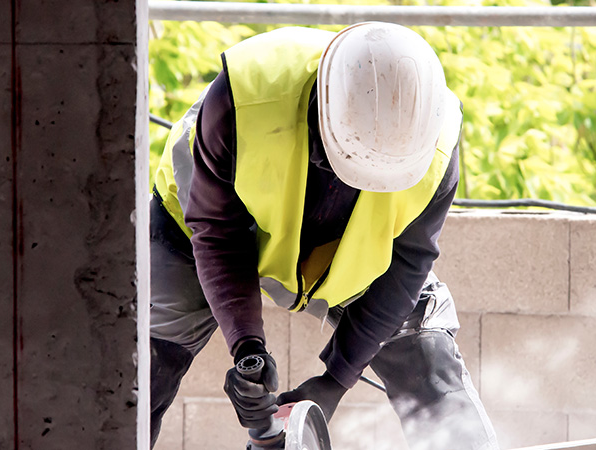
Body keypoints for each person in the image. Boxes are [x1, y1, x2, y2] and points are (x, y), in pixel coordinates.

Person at [149, 22, 498, 450]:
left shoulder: (436, 145)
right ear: (320, 109)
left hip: (351, 253)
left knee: (427, 359)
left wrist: (335, 380)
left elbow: (407, 265)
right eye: (346, 165)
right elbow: (218, 233)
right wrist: (247, 347)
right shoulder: (242, 98)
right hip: (196, 223)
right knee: (138, 368)